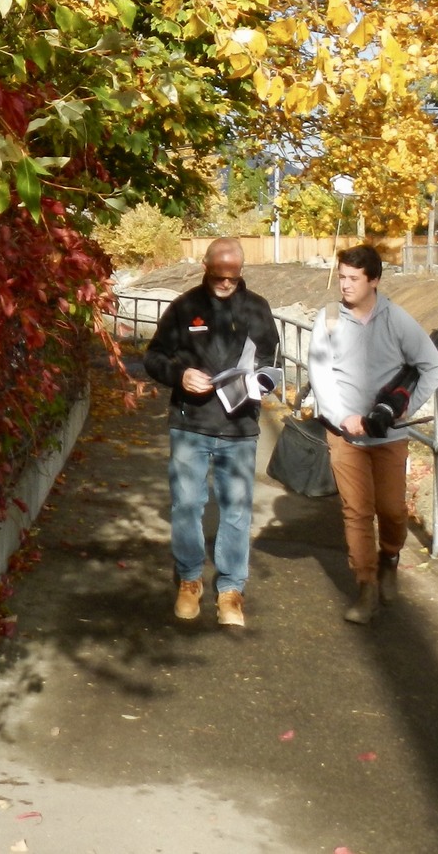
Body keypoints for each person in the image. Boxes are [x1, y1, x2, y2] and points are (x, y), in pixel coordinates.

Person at [142, 238, 283, 628]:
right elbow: (153, 356)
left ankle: (231, 587)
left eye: (233, 276)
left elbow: (273, 365)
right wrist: (179, 375)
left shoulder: (257, 308)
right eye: (219, 275)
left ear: (241, 270)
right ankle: (189, 580)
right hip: (190, 424)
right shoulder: (184, 306)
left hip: (240, 427)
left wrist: (260, 384)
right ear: (205, 266)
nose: (225, 283)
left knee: (236, 511)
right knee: (186, 505)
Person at [306, 243, 438, 626]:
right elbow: (320, 376)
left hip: (388, 437)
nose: (345, 285)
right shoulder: (329, 319)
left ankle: (391, 557)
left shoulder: (397, 320)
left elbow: (432, 368)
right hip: (345, 435)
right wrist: (341, 417)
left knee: (392, 510)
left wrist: (403, 412)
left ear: (374, 281)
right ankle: (365, 586)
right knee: (356, 511)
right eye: (342, 277)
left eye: (354, 278)